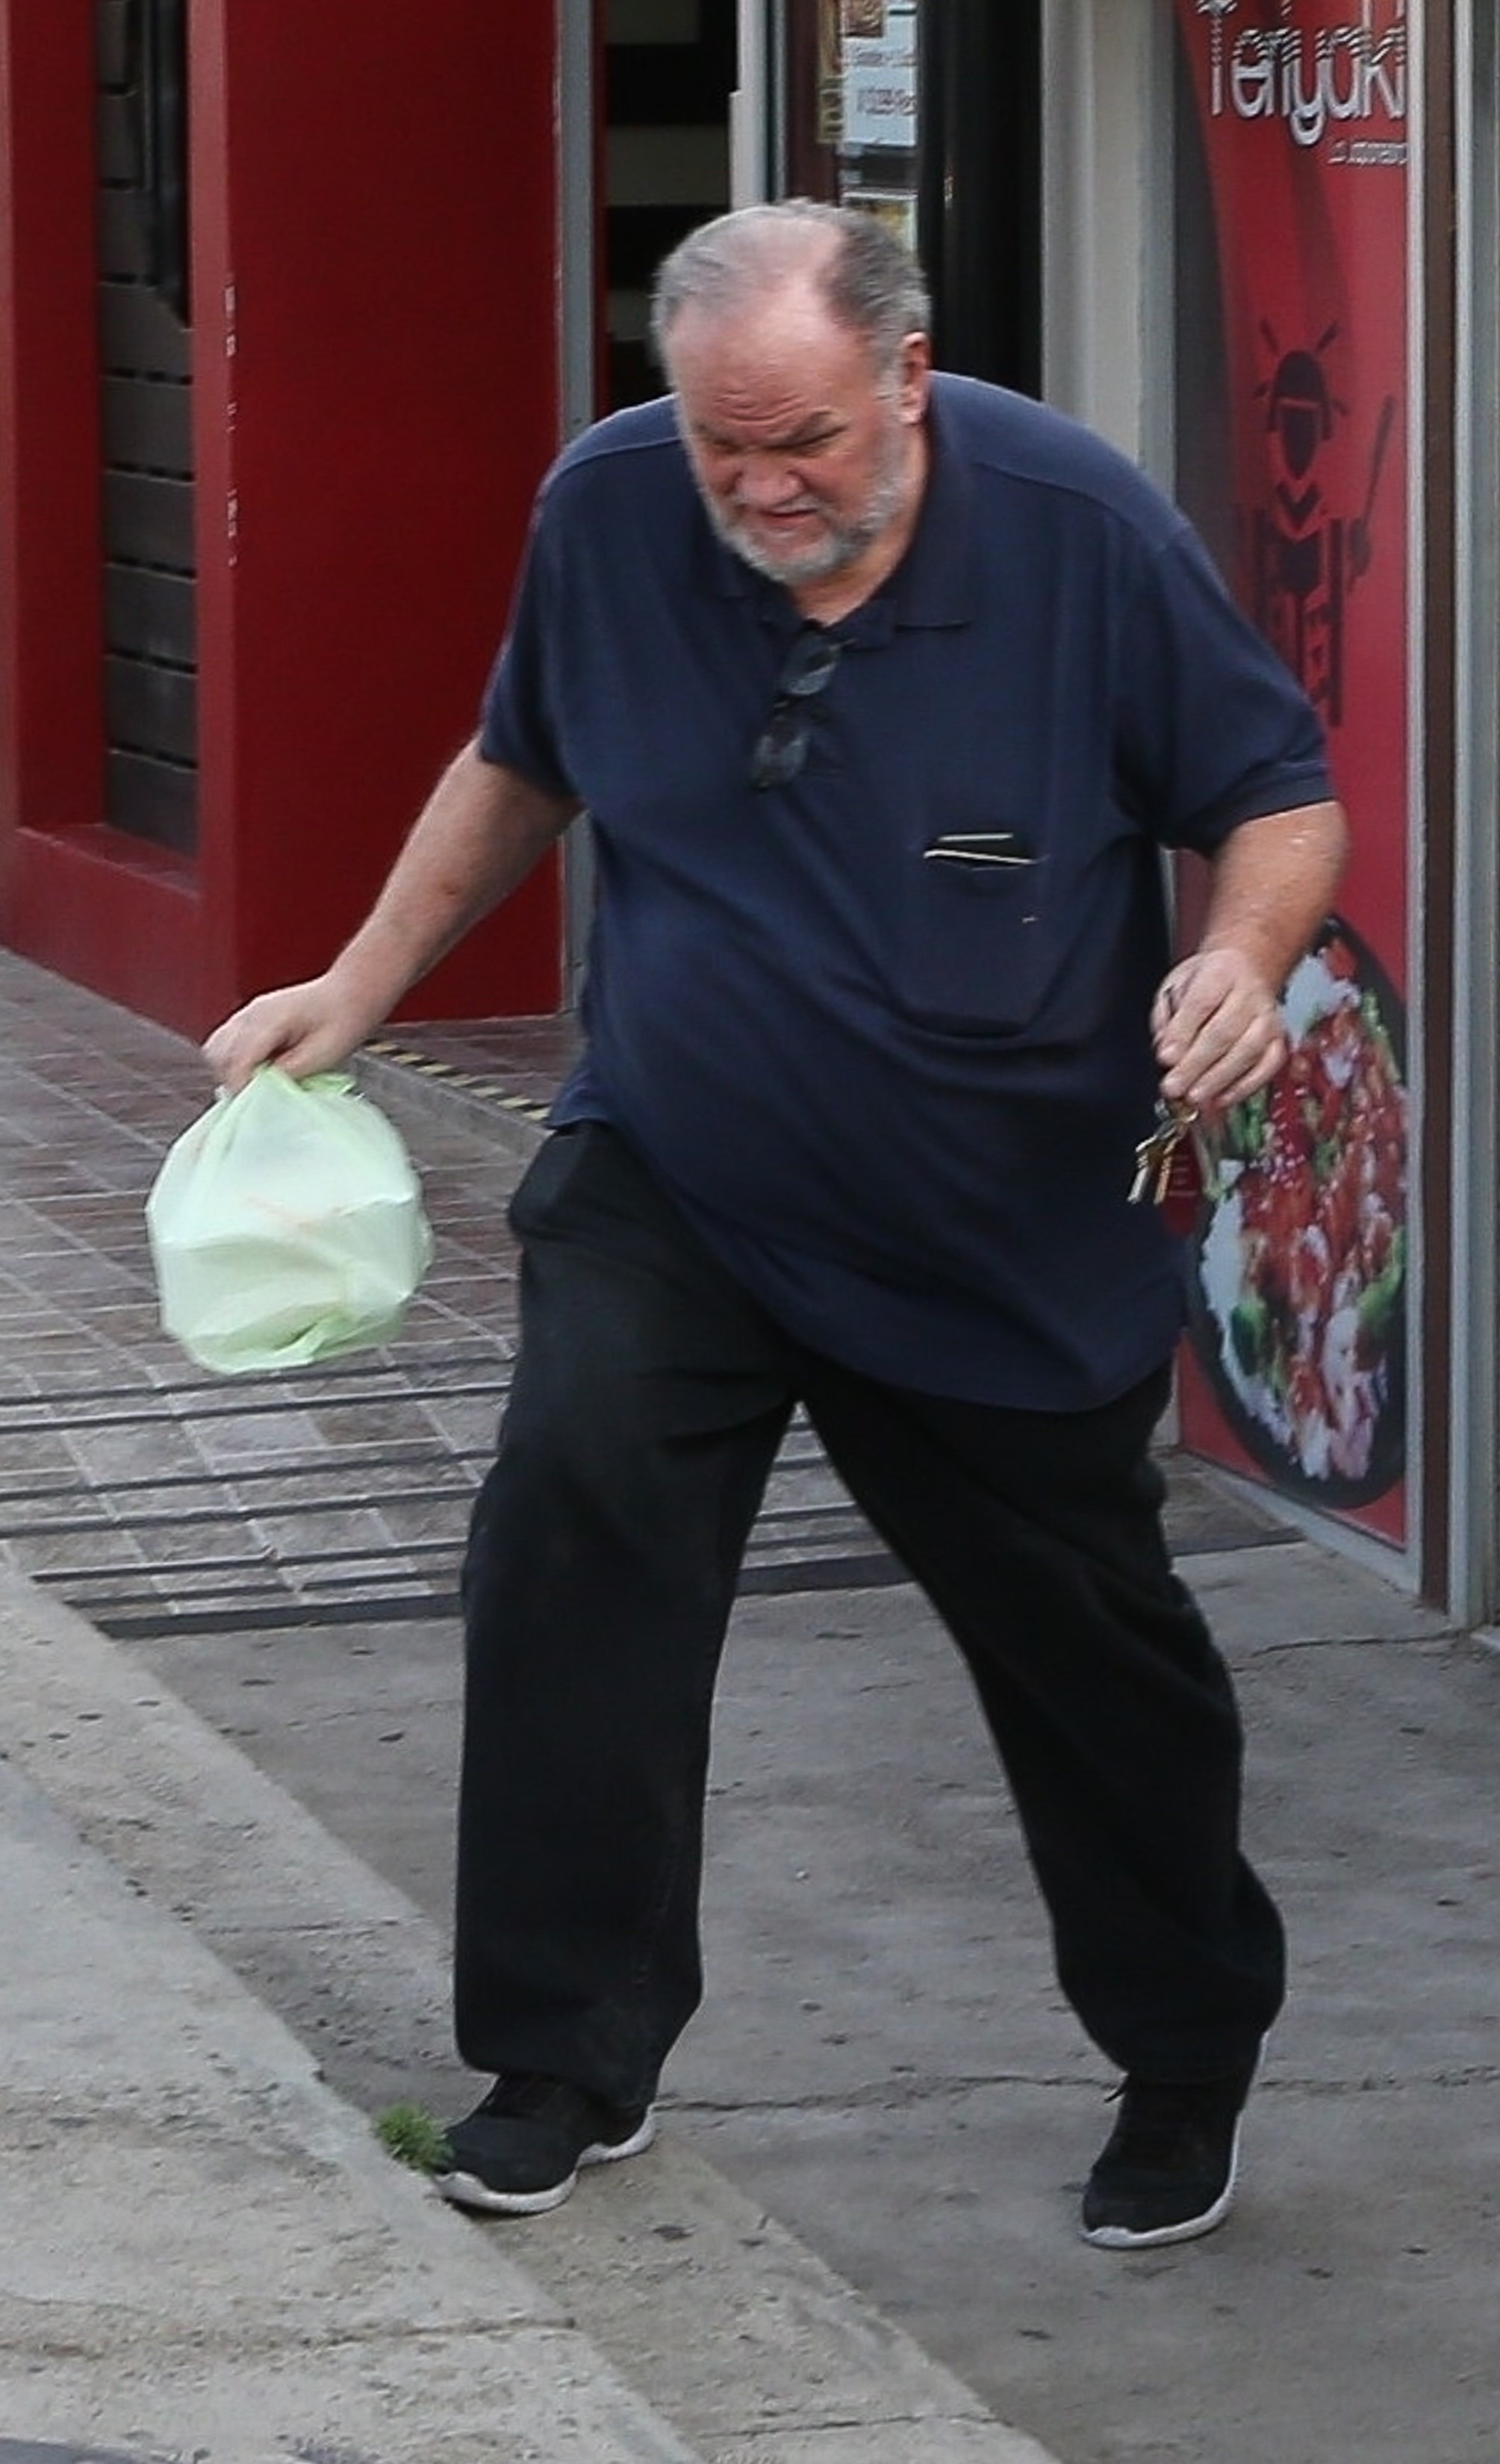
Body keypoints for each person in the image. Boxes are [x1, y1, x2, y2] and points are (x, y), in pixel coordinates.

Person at [205, 199, 1347, 2250]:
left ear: (908, 379)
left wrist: (1247, 963)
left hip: (992, 1218)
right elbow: (520, 758)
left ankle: (1185, 2053)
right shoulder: (617, 507)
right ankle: (567, 2046)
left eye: (804, 436)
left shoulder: (1082, 537)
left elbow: (1275, 792)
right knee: (571, 1531)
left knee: (1095, 1658)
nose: (761, 486)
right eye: (723, 439)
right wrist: (356, 984)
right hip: (686, 1167)